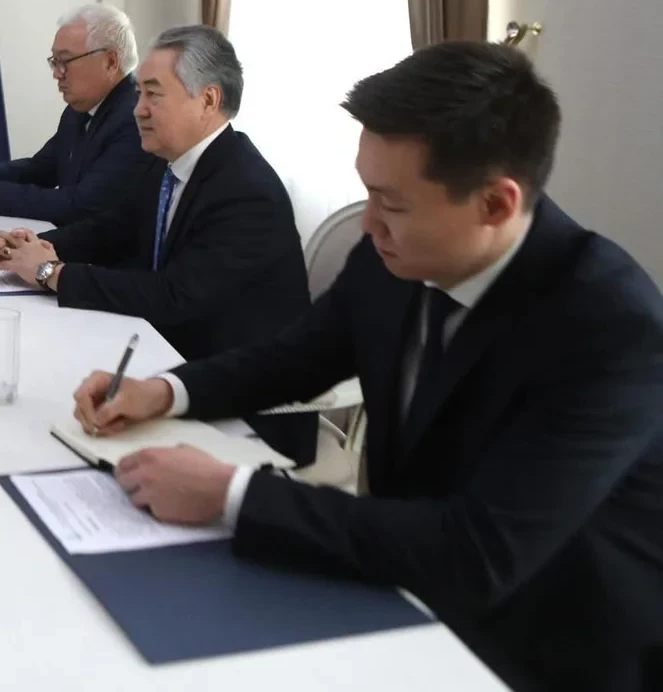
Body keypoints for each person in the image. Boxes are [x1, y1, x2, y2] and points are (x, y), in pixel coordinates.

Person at [71, 42, 663, 692]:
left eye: (392, 203)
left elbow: (477, 551)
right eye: (366, 193)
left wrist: (231, 494)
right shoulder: (395, 254)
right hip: (396, 579)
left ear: (495, 204)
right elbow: (295, 357)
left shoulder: (608, 325)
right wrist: (164, 391)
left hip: (542, 643)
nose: (369, 222)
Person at [0, 24, 315, 464]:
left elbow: (173, 296)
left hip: (243, 412)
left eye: (153, 95)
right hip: (167, 361)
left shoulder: (246, 190)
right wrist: (35, 245)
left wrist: (52, 273)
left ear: (208, 100)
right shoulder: (168, 161)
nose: (138, 110)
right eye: (138, 93)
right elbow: (113, 228)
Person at [0, 3, 153, 225]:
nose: (57, 74)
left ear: (110, 61)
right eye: (54, 62)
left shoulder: (135, 118)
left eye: (65, 61)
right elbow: (41, 169)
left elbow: (83, 206)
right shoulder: (80, 109)